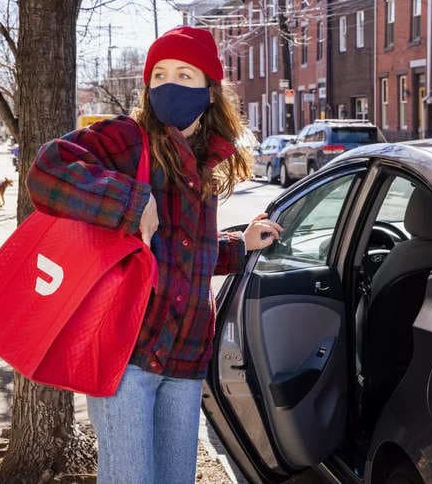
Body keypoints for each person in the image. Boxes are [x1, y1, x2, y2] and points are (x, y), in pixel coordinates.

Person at [26, 26, 282, 483]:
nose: (168, 84)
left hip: (184, 358)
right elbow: (47, 171)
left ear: (209, 92)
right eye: (159, 74)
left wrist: (239, 246)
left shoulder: (206, 159)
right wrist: (128, 201)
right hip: (127, 354)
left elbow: (184, 250)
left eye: (185, 74)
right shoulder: (127, 140)